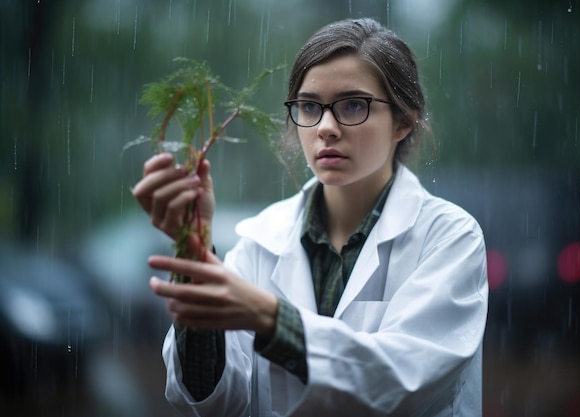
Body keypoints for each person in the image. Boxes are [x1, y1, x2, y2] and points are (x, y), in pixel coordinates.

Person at [133, 17, 488, 417]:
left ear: (403, 121)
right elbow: (211, 401)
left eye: (353, 105)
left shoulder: (449, 238)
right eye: (309, 106)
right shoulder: (260, 242)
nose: (326, 127)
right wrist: (194, 253)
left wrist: (268, 317)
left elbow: (402, 382)